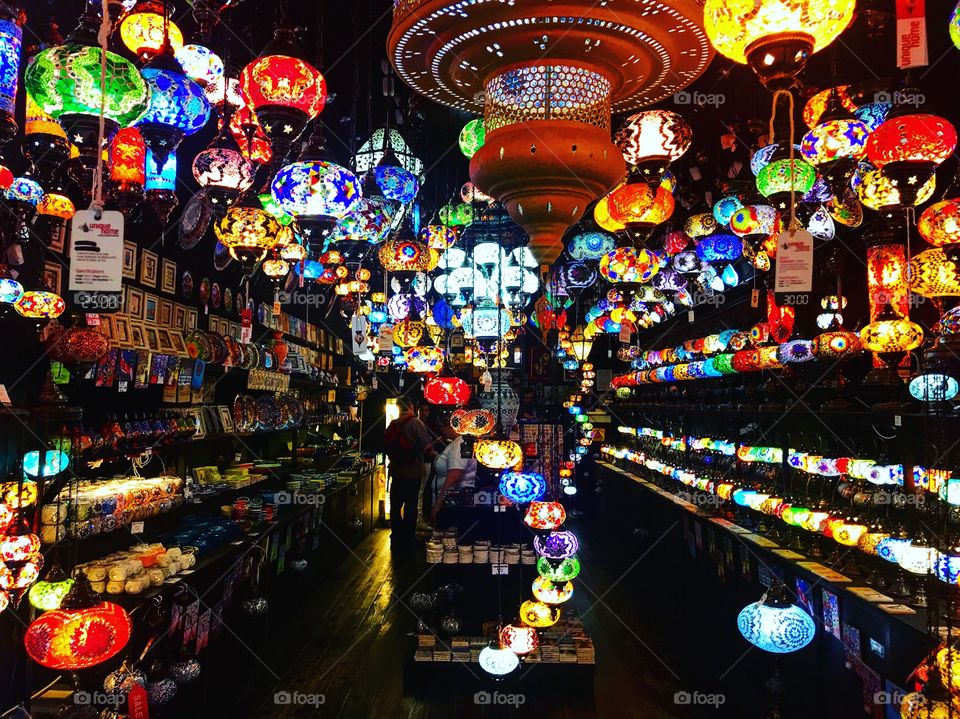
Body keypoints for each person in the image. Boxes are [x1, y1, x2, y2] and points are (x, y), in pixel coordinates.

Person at [384, 396, 437, 549]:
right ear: (411, 406)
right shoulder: (415, 423)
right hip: (413, 471)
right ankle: (408, 538)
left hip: (396, 471)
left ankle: (396, 536)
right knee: (410, 505)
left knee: (395, 506)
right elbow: (426, 447)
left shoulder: (393, 424)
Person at [429, 416, 478, 525]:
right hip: (452, 502)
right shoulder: (461, 442)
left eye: (442, 427)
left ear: (451, 426)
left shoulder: (460, 443)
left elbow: (454, 475)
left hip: (451, 504)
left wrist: (438, 504)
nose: (441, 431)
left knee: (449, 536)